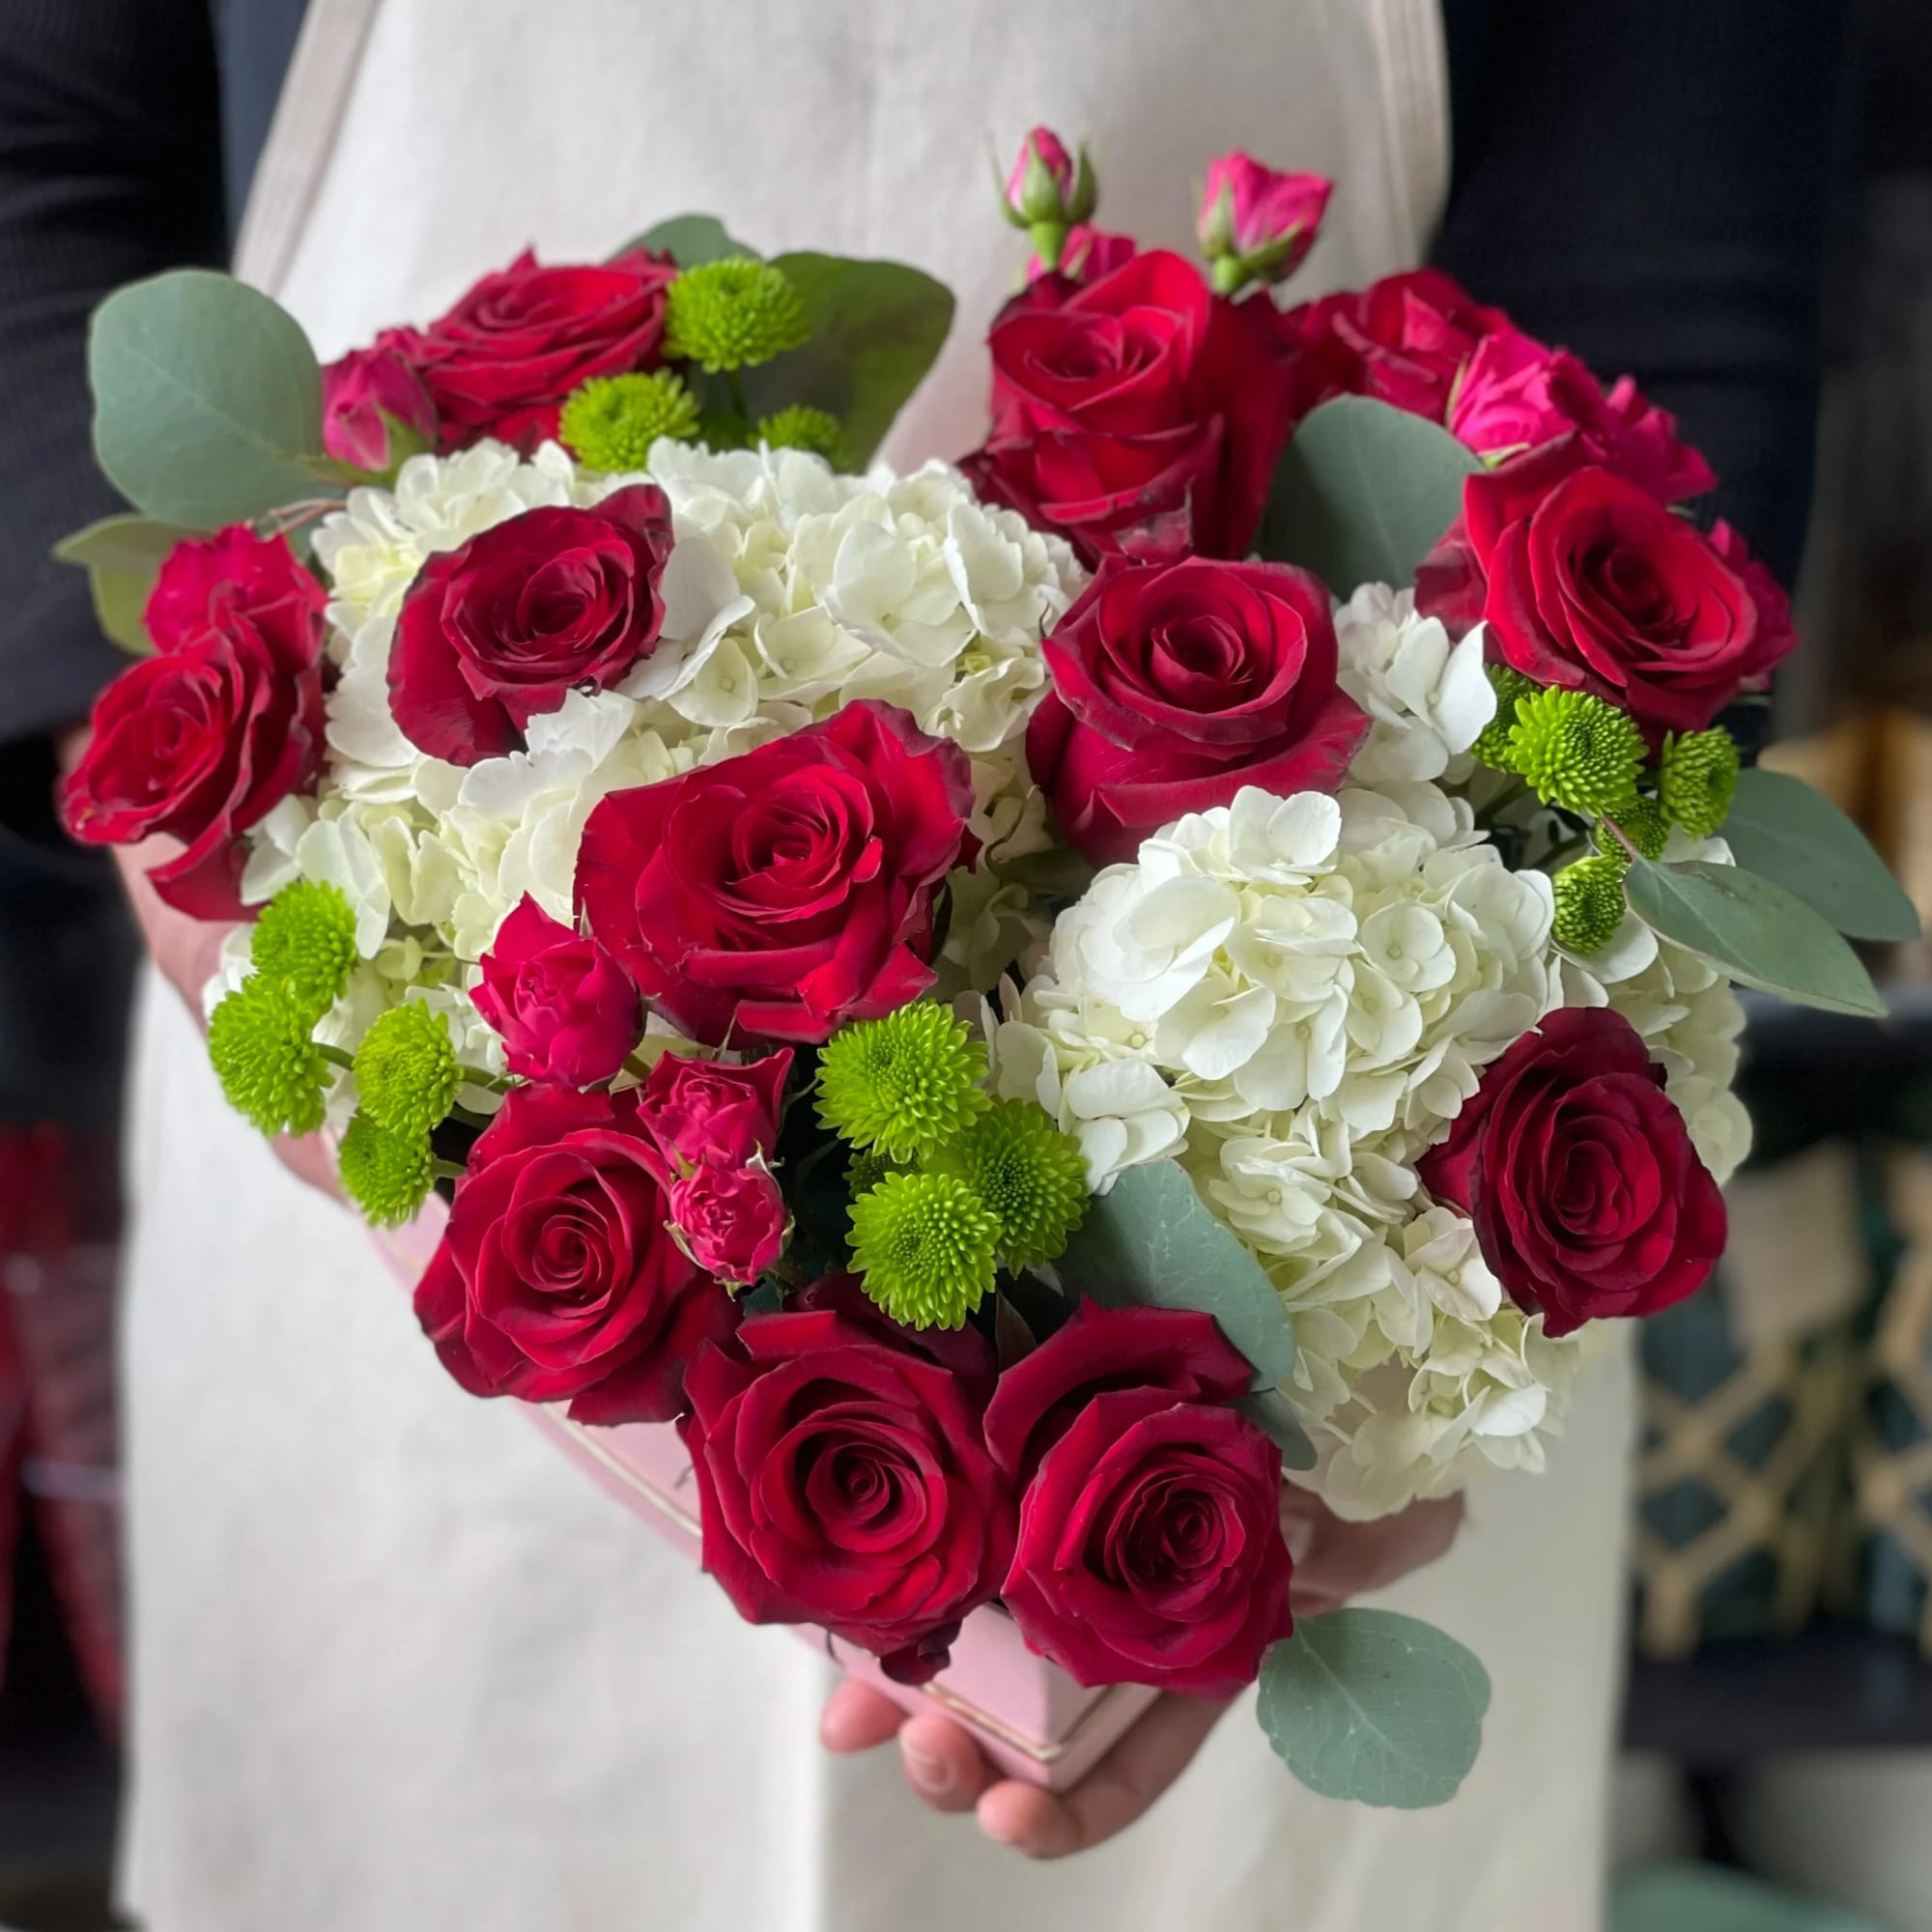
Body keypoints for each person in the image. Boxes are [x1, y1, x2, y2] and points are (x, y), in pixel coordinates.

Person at [0, 2, 1845, 1926]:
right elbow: (30, 151)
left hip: (1356, 1144)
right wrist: (206, 849)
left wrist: (1369, 1413)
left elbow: (1671, 285)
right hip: (395, 1085)